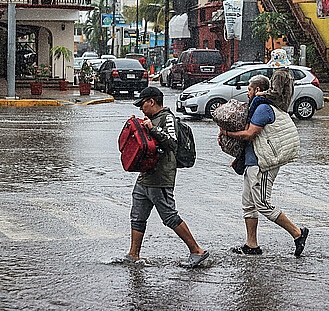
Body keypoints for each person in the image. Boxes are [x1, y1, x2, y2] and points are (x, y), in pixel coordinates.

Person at [220, 74, 309, 257]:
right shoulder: (257, 107)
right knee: (248, 204)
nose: (247, 92)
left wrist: (228, 133)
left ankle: (297, 233)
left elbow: (250, 134)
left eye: (250, 89)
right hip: (251, 162)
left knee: (262, 204)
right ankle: (251, 245)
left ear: (258, 90)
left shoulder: (263, 108)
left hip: (263, 164)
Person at [126, 86, 209, 267]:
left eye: (142, 104)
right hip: (145, 176)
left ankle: (197, 251)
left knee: (169, 217)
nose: (141, 108)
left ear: (152, 101)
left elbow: (172, 142)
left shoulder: (167, 118)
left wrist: (152, 128)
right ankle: (133, 255)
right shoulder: (152, 118)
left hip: (161, 178)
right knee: (137, 216)